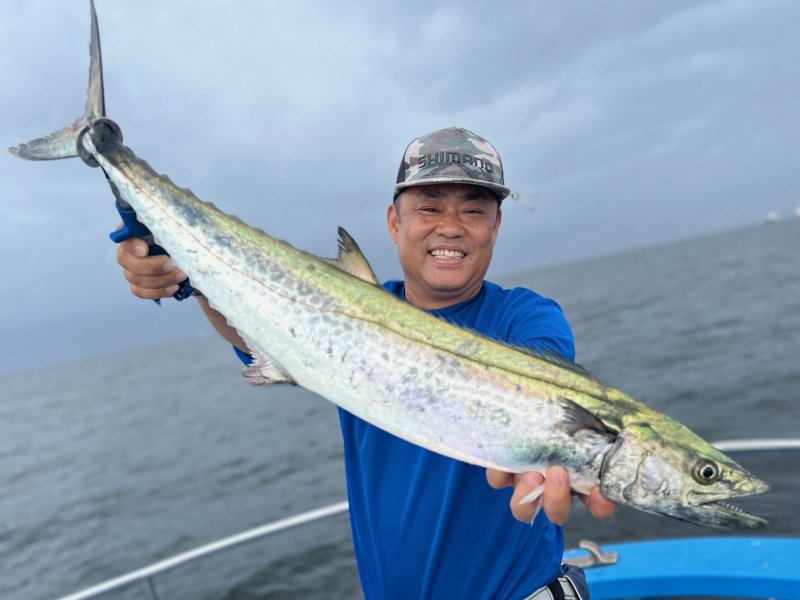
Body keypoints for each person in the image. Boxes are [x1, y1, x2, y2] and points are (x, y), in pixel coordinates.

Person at [116, 127, 615, 599]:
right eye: (429, 206)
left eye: (473, 210)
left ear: (495, 226)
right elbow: (261, 330)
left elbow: (551, 397)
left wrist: (551, 453)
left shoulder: (526, 318)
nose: (451, 226)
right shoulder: (339, 307)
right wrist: (186, 276)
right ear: (395, 222)